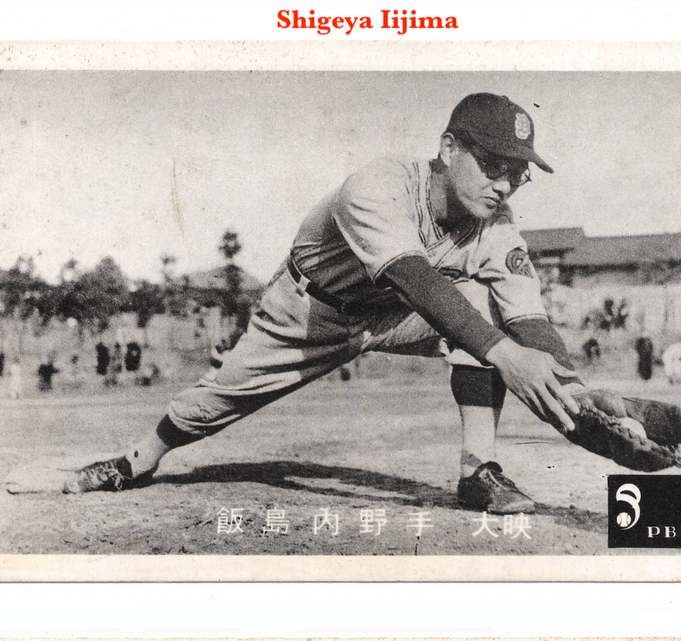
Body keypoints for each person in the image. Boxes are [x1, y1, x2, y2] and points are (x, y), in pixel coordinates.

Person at [63, 93, 581, 514]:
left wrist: (581, 394)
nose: (504, 184)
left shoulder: (499, 221)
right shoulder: (380, 184)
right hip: (308, 311)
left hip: (392, 317)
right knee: (218, 399)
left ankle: (478, 472)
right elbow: (412, 277)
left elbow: (526, 315)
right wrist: (508, 356)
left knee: (487, 312)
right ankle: (138, 460)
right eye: (492, 165)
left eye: (517, 173)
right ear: (448, 148)